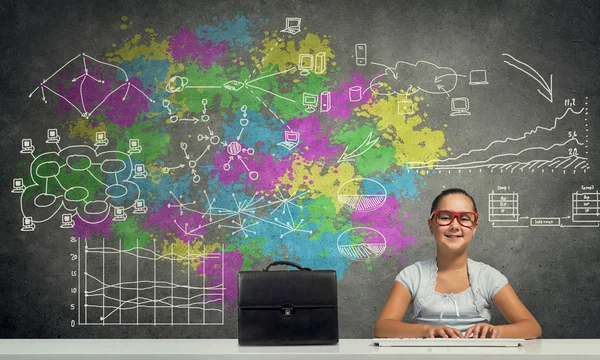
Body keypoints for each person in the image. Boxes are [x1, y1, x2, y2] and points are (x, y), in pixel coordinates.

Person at [374, 188, 542, 339]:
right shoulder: (412, 275)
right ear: (431, 225)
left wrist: (497, 331)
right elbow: (383, 327)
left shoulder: (488, 276)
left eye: (465, 219)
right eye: (445, 217)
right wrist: (426, 330)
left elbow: (532, 327)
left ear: (474, 227)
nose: (455, 225)